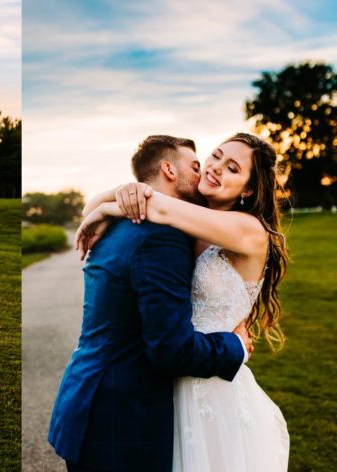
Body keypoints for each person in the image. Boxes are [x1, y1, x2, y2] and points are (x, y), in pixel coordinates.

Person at [72, 133, 289, 471]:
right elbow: (98, 204)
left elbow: (155, 204)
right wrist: (123, 190)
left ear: (248, 190)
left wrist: (110, 208)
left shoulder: (249, 230)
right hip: (169, 382)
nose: (215, 168)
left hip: (212, 383)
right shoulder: (189, 217)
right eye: (215, 156)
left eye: (232, 168)